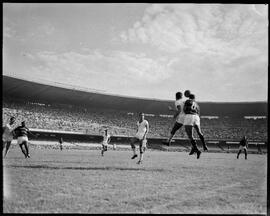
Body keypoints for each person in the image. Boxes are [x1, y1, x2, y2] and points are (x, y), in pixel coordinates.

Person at [183, 94, 207, 159]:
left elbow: (184, 110)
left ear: (189, 97)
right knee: (199, 132)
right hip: (196, 117)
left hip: (189, 116)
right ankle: (204, 145)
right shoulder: (196, 104)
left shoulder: (187, 101)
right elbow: (198, 113)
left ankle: (197, 150)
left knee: (190, 136)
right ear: (194, 98)